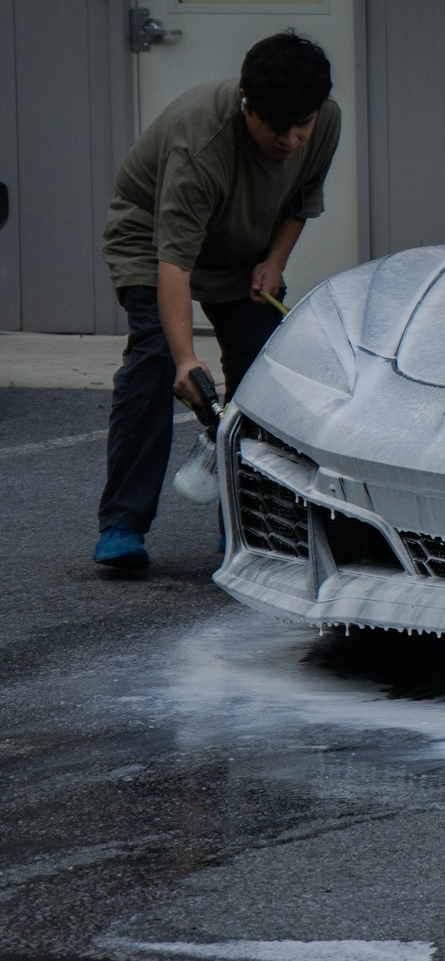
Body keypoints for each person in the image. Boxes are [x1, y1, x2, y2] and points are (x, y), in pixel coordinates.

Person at [93, 31, 339, 575]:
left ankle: (248, 527)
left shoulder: (321, 121)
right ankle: (123, 524)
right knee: (155, 360)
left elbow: (299, 201)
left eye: (303, 127)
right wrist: (186, 359)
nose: (292, 141)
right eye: (278, 130)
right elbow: (174, 261)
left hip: (242, 248)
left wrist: (274, 261)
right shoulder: (200, 139)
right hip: (151, 241)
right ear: (248, 104)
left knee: (261, 373)